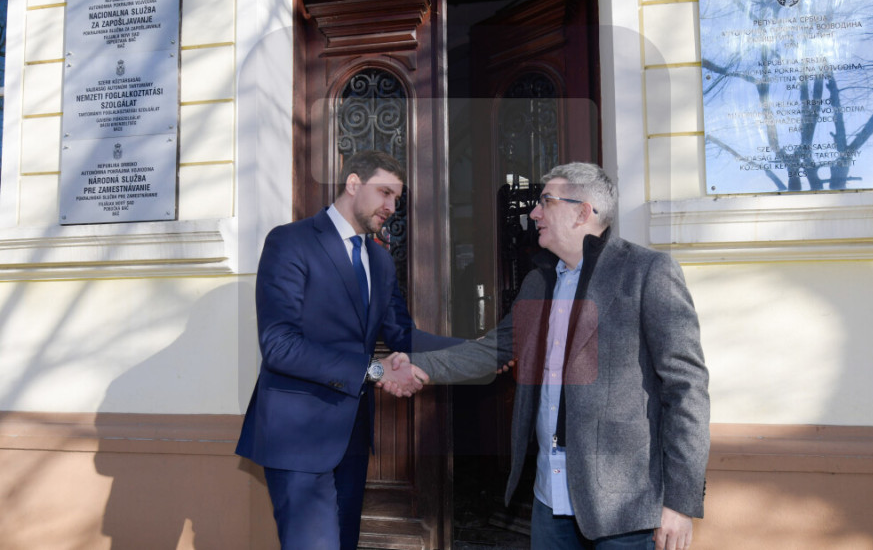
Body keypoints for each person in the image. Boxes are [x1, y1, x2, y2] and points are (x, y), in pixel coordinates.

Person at [402, 162, 710, 550]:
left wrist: (679, 503)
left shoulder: (647, 272)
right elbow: (493, 349)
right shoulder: (539, 281)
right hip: (549, 498)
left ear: (583, 212)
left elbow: (687, 389)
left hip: (626, 509)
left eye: (545, 201)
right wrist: (415, 365)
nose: (534, 213)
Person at [236, 150, 459, 550]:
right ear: (353, 183)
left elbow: (403, 335)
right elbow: (279, 346)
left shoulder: (380, 261)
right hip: (297, 437)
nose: (391, 206)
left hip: (352, 438)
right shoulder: (290, 241)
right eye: (385, 192)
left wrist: (479, 352)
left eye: (396, 198)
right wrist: (375, 371)